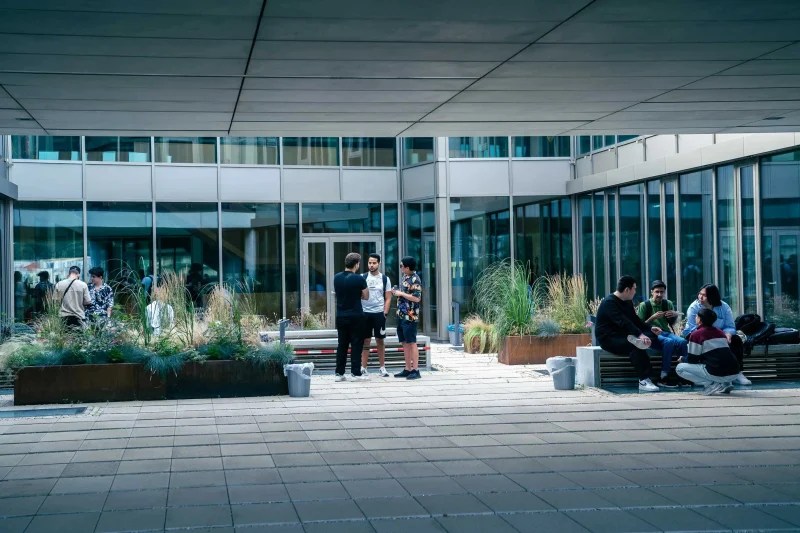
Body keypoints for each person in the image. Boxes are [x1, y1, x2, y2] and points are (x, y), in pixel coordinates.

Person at [595, 275, 662, 392]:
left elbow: (634, 320)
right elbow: (624, 322)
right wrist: (640, 335)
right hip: (609, 338)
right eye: (634, 289)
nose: (635, 292)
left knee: (650, 335)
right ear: (627, 289)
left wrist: (650, 328)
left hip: (624, 335)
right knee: (635, 345)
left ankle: (639, 340)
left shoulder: (628, 302)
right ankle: (644, 380)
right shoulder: (609, 303)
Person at [682, 283, 751, 386]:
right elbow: (693, 328)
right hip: (697, 334)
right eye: (700, 294)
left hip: (720, 335)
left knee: (735, 340)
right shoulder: (694, 307)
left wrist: (728, 334)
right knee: (707, 343)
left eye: (704, 295)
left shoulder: (724, 307)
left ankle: (737, 372)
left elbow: (730, 326)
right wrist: (711, 335)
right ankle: (709, 375)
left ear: (712, 296)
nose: (700, 297)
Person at [636, 280, 688, 387]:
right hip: (652, 334)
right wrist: (652, 317)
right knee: (668, 342)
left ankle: (685, 374)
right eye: (657, 292)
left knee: (683, 341)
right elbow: (639, 325)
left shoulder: (667, 303)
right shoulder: (644, 305)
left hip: (665, 332)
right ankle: (664, 376)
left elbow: (672, 323)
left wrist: (674, 315)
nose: (660, 294)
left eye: (662, 292)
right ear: (652, 292)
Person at [677, 308, 740, 395]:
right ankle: (726, 384)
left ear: (700, 320)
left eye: (697, 316)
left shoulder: (696, 334)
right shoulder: (720, 332)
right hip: (735, 371)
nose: (695, 317)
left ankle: (711, 384)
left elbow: (693, 359)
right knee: (718, 361)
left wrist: (683, 359)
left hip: (717, 373)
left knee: (680, 368)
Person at [333, 252, 368, 381]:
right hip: (356, 316)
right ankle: (355, 373)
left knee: (342, 345)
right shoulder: (359, 279)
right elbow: (366, 296)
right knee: (356, 344)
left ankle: (339, 373)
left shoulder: (336, 277)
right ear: (357, 264)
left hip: (341, 316)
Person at [360, 253, 392, 377]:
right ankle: (363, 367)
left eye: (374, 263)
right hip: (365, 313)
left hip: (379, 313)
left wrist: (385, 312)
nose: (371, 265)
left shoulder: (385, 279)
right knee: (366, 340)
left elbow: (388, 297)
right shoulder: (362, 277)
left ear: (379, 263)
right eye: (369, 263)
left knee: (380, 340)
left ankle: (382, 367)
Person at [393, 256, 423, 380]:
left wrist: (401, 294)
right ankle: (407, 368)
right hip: (401, 314)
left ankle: (415, 369)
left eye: (401, 266)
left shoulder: (415, 279)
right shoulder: (405, 277)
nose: (400, 268)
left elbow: (417, 298)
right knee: (404, 342)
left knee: (411, 342)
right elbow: (404, 293)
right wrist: (396, 291)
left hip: (410, 316)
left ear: (407, 267)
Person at [55, 265, 91, 329]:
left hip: (63, 317)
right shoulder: (83, 285)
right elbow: (88, 301)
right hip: (79, 316)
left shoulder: (59, 284)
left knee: (64, 338)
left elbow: (56, 301)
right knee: (78, 337)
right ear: (78, 274)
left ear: (69, 273)